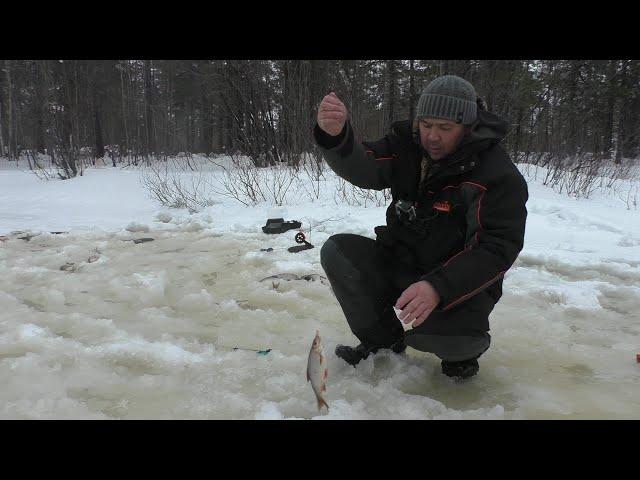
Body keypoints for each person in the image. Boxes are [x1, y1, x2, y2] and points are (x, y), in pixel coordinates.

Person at [313, 74, 528, 379]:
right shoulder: (407, 146)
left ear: (467, 127)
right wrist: (336, 137)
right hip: (403, 262)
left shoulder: (496, 175)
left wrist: (438, 286)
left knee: (451, 340)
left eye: (445, 128)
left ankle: (462, 356)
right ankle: (382, 343)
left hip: (457, 283)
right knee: (338, 251)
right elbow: (366, 166)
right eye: (426, 125)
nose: (432, 137)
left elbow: (495, 249)